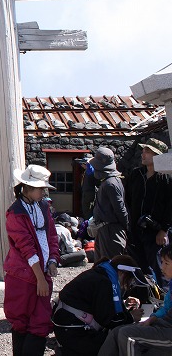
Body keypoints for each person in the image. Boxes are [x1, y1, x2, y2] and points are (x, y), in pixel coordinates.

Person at [4, 165, 60, 356]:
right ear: (27, 187)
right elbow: (26, 248)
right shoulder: (15, 213)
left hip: (39, 272)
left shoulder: (43, 207)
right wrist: (40, 278)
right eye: (40, 188)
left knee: (40, 322)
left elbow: (52, 235)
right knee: (21, 322)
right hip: (23, 276)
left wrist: (53, 259)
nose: (44, 191)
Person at [53, 255, 145, 356]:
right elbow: (108, 320)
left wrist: (123, 304)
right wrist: (131, 317)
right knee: (118, 342)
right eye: (129, 280)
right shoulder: (104, 282)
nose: (127, 285)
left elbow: (99, 305)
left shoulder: (101, 273)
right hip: (74, 332)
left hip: (67, 327)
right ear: (122, 273)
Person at [98, 245, 172, 355]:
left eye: (166, 263)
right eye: (162, 262)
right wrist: (152, 319)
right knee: (117, 331)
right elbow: (166, 308)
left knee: (127, 335)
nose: (162, 267)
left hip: (168, 331)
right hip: (164, 325)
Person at [125, 138, 172, 286]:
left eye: (148, 151)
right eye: (143, 150)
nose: (143, 154)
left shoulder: (166, 179)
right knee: (139, 271)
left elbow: (170, 207)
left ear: (157, 155)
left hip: (155, 233)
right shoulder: (136, 175)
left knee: (159, 270)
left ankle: (164, 302)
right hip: (136, 232)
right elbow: (128, 200)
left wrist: (164, 230)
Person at [90, 147, 129, 260]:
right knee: (101, 267)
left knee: (111, 266)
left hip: (111, 231)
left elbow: (120, 209)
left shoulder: (110, 184)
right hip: (105, 230)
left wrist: (125, 228)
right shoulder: (109, 182)